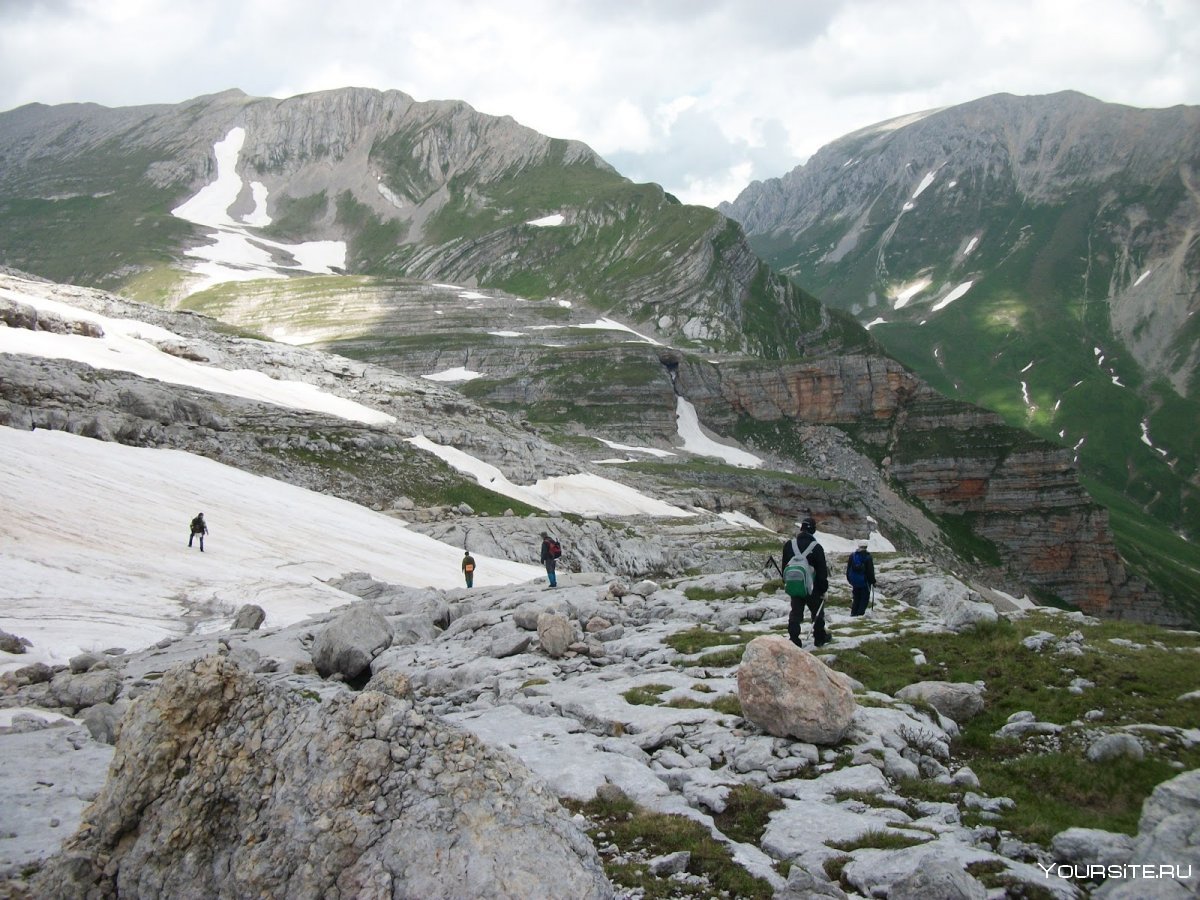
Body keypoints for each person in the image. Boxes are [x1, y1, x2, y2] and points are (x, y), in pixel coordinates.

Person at [782, 517, 830, 647]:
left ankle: (794, 639)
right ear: (813, 530)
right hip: (813, 587)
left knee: (795, 613)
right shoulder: (816, 547)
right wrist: (823, 588)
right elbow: (821, 570)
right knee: (817, 613)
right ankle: (819, 638)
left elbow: (784, 568)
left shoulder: (789, 545)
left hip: (795, 585)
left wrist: (788, 583)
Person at [846, 539, 877, 617]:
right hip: (864, 582)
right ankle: (860, 614)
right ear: (866, 547)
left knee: (856, 598)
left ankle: (853, 613)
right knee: (864, 598)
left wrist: (850, 579)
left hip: (855, 582)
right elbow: (870, 571)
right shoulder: (868, 557)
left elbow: (848, 569)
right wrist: (873, 581)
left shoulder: (852, 556)